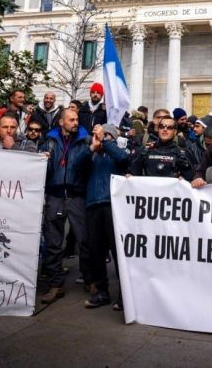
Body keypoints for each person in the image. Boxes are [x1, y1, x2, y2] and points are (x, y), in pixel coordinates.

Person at [37, 108, 98, 304]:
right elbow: (44, 171)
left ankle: (91, 280)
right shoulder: (49, 142)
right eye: (71, 119)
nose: (75, 122)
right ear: (61, 122)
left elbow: (82, 166)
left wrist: (92, 148)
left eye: (77, 119)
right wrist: (42, 161)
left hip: (76, 196)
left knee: (84, 240)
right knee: (54, 242)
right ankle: (56, 284)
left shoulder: (86, 140)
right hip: (55, 195)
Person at [85, 125, 128, 310]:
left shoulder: (118, 152)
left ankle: (125, 296)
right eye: (97, 135)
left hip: (113, 206)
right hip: (93, 204)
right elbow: (77, 164)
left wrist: (106, 141)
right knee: (96, 252)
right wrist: (93, 147)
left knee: (118, 253)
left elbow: (123, 158)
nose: (100, 138)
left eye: (106, 135)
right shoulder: (90, 153)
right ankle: (101, 293)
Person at [128, 115, 195, 179]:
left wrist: (184, 179)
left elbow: (190, 179)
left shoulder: (182, 154)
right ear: (158, 130)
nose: (165, 129)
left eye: (169, 127)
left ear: (175, 132)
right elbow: (134, 175)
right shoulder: (144, 150)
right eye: (161, 126)